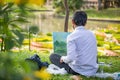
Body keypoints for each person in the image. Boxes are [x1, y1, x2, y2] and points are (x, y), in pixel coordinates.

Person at [49, 11, 98, 77]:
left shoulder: (72, 36)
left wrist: (63, 58)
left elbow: (71, 58)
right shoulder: (92, 34)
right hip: (92, 69)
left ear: (72, 22)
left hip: (77, 70)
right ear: (85, 23)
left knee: (53, 56)